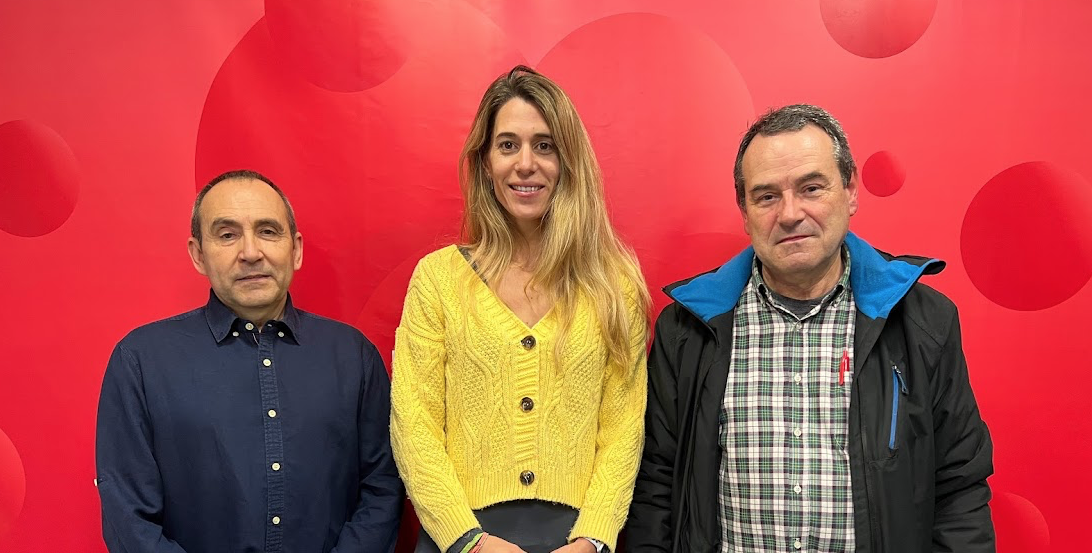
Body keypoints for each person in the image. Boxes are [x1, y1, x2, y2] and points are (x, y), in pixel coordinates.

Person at [627, 105, 994, 552]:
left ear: (850, 191)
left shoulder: (923, 323)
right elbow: (655, 488)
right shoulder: (686, 331)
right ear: (744, 211)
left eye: (811, 188)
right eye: (766, 196)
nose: (789, 213)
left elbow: (960, 488)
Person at [390, 66, 651, 553]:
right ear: (485, 162)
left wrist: (594, 539)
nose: (525, 163)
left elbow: (623, 428)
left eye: (545, 145)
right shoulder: (438, 279)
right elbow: (414, 423)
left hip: (576, 542)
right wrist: (468, 540)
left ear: (567, 161)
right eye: (507, 145)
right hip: (461, 541)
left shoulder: (612, 285)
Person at [95, 170, 403, 552]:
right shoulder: (140, 361)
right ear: (198, 254)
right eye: (227, 234)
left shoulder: (353, 356)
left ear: (296, 249)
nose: (251, 252)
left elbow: (383, 487)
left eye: (269, 231)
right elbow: (128, 515)